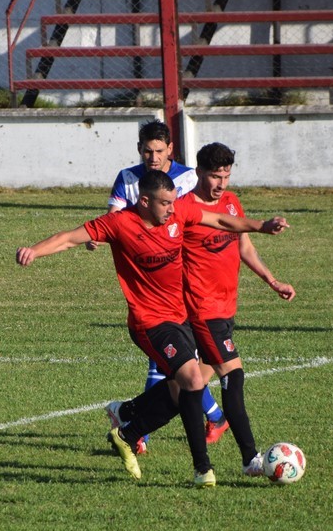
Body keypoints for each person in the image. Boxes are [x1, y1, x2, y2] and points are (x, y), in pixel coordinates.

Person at [17, 171, 289, 488]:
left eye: (173, 202)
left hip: (183, 316)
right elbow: (69, 238)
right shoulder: (120, 223)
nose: (172, 210)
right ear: (144, 201)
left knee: (187, 386)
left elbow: (221, 222)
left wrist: (262, 227)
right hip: (149, 322)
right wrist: (35, 250)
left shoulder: (178, 211)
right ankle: (203, 470)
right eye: (164, 204)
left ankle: (127, 426)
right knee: (190, 379)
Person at [107, 142, 296, 478]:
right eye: (214, 176)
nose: (220, 183)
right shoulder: (180, 209)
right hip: (201, 309)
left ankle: (128, 414)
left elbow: (243, 245)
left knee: (187, 388)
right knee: (233, 376)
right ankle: (249, 459)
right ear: (199, 173)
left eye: (225, 175)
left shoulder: (231, 202)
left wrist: (272, 280)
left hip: (226, 307)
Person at [95, 120, 229, 454]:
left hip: (187, 277)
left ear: (170, 149)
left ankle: (142, 426)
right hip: (150, 279)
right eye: (146, 151)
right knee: (173, 364)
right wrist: (100, 237)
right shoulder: (128, 178)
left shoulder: (186, 179)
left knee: (181, 364)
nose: (152, 157)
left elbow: (199, 217)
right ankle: (200, 418)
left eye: (158, 150)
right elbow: (113, 215)